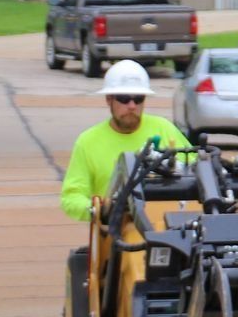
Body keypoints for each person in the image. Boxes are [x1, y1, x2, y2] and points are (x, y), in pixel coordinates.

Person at [60, 60, 192, 220]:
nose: (131, 106)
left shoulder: (164, 129)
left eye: (138, 99)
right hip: (114, 234)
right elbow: (72, 197)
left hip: (165, 231)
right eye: (124, 98)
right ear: (109, 99)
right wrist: (99, 210)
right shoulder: (87, 142)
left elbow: (197, 171)